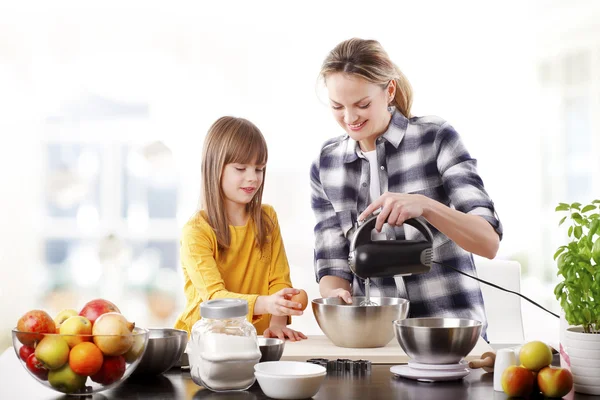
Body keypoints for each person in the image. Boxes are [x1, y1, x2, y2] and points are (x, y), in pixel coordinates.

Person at [310, 38, 503, 337]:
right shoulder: (327, 164)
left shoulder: (435, 138)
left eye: (362, 104)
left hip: (449, 334)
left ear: (389, 91)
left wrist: (425, 205)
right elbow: (333, 262)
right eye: (337, 106)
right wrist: (336, 295)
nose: (349, 118)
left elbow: (487, 242)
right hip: (376, 339)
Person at [175, 116, 307, 341]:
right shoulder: (196, 232)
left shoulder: (267, 219)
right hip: (203, 346)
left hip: (253, 343)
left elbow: (279, 280)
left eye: (259, 169)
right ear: (215, 168)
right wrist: (267, 304)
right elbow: (215, 299)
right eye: (240, 168)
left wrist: (277, 323)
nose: (252, 178)